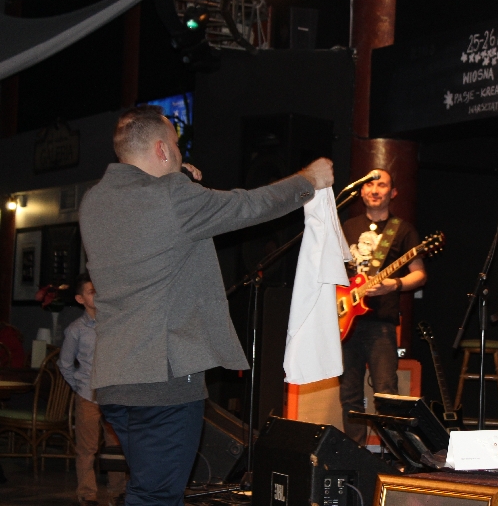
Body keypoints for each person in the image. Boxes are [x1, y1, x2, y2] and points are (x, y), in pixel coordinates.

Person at [78, 105, 333, 505]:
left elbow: (151, 218)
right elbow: (248, 206)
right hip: (163, 380)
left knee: (146, 489)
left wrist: (176, 176)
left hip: (115, 380)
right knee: (157, 497)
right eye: (176, 146)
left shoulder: (94, 201)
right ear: (162, 149)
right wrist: (308, 180)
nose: (180, 153)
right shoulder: (173, 197)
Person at [339, 169, 427, 444]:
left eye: (382, 185)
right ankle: (355, 452)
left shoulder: (403, 230)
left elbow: (420, 274)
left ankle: (393, 453)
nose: (374, 190)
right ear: (361, 191)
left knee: (386, 392)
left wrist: (394, 284)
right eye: (369, 185)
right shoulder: (347, 227)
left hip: (382, 323)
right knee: (349, 393)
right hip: (346, 322)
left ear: (393, 192)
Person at [58, 273, 126, 506]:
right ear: (80, 299)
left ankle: (118, 491)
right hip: (88, 395)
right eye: (91, 291)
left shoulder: (114, 323)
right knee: (87, 447)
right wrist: (79, 386)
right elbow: (65, 363)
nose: (97, 294)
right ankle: (87, 494)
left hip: (113, 394)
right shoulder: (76, 329)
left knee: (116, 445)